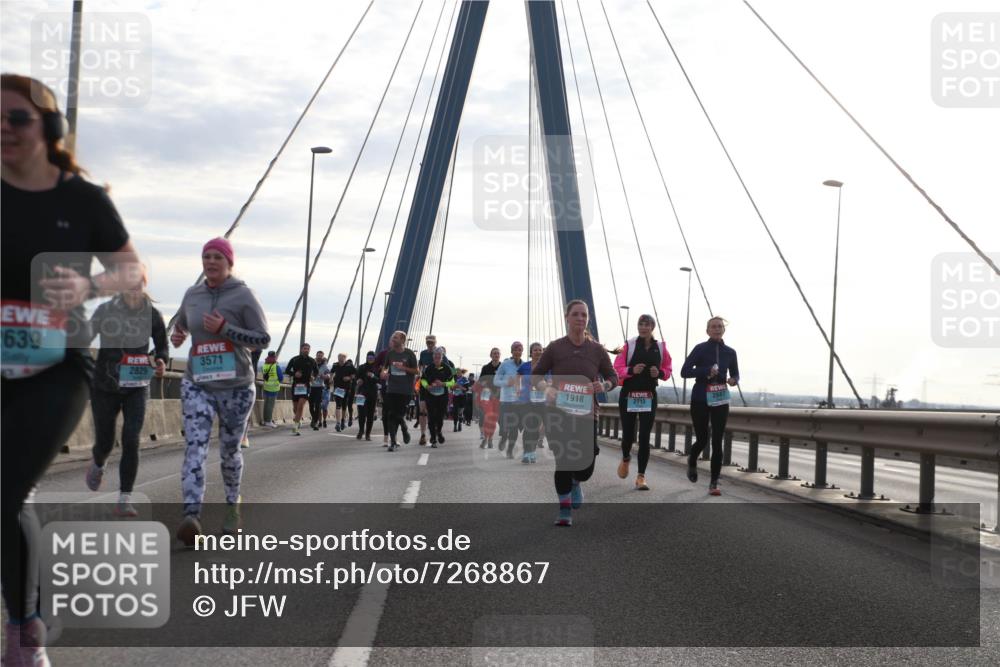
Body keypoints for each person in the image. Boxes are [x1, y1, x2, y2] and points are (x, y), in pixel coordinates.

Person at [2, 73, 143, 666]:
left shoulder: (82, 200)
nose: (4, 131)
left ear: (51, 128)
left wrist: (88, 282)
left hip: (56, 366)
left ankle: (24, 628)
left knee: (3, 492)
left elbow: (132, 275)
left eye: (17, 119)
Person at [171, 237, 269, 545]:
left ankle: (232, 506)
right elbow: (183, 322)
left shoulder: (243, 296)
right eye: (206, 257)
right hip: (197, 383)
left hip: (236, 386)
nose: (211, 262)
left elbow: (262, 339)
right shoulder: (193, 294)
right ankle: (191, 516)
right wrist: (179, 333)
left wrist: (225, 329)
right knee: (195, 448)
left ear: (229, 263)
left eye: (217, 257)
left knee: (229, 451)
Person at [86, 276, 169, 516]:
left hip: (137, 385)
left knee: (131, 439)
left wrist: (161, 360)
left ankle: (124, 498)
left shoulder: (152, 315)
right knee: (105, 441)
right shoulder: (105, 311)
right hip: (104, 384)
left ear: (144, 283)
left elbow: (162, 346)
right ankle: (99, 462)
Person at [532, 300, 617, 526]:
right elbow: (536, 376)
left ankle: (577, 481)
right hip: (558, 413)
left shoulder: (597, 350)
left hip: (587, 414)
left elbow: (613, 377)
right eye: (576, 314)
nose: (580, 318)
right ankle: (564, 510)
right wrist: (546, 388)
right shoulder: (555, 347)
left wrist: (604, 386)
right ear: (567, 318)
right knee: (563, 461)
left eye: (584, 315)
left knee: (585, 467)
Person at [613, 313, 672, 491]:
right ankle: (625, 458)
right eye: (641, 324)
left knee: (645, 437)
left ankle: (641, 476)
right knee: (629, 435)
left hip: (648, 396)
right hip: (629, 395)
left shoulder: (660, 348)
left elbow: (668, 369)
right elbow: (617, 369)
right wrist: (631, 369)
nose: (643, 327)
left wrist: (659, 374)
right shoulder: (629, 346)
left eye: (647, 324)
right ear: (638, 326)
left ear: (652, 327)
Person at [681, 316, 740, 496]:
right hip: (700, 398)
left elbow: (736, 374)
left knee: (717, 440)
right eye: (713, 327)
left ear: (724, 330)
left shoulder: (730, 352)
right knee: (702, 439)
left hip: (720, 398)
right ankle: (693, 459)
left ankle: (714, 482)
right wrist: (705, 371)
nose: (716, 329)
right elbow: (684, 371)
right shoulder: (700, 349)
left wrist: (733, 380)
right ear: (707, 330)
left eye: (719, 326)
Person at [380, 331, 418, 451]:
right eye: (392, 337)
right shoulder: (390, 354)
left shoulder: (409, 354)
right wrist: (383, 373)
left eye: (395, 338)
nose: (393, 339)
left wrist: (403, 368)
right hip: (392, 388)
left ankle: (404, 427)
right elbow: (385, 368)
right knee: (391, 414)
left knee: (398, 415)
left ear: (402, 340)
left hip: (405, 390)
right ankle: (393, 442)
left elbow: (417, 371)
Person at [518, 342, 547, 464]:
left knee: (535, 428)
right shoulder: (524, 366)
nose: (538, 352)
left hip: (541, 401)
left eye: (540, 350)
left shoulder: (547, 367)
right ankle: (526, 452)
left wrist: (545, 384)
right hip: (526, 400)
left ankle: (532, 451)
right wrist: (517, 389)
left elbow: (551, 381)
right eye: (535, 350)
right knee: (528, 425)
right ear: (531, 353)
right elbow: (516, 377)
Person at [494, 341, 525, 458]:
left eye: (520, 350)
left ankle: (510, 450)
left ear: (522, 352)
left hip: (519, 401)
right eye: (515, 350)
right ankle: (504, 437)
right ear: (512, 351)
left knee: (515, 427)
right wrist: (507, 382)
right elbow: (495, 381)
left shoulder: (525, 366)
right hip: (505, 400)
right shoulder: (505, 365)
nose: (518, 352)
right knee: (503, 424)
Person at [420, 347, 455, 447]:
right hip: (430, 395)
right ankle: (433, 438)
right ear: (433, 357)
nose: (437, 358)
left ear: (442, 357)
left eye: (439, 357)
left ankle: (439, 432)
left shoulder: (447, 368)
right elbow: (423, 380)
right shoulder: (429, 368)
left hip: (442, 396)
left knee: (440, 417)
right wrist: (427, 386)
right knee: (431, 416)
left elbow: (452, 382)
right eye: (435, 357)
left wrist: (443, 383)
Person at [285, 343, 317, 435]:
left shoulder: (311, 360)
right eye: (305, 348)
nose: (306, 350)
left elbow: (316, 371)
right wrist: (294, 374)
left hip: (306, 385)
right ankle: (298, 420)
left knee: (300, 406)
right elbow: (287, 370)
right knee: (295, 408)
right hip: (296, 385)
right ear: (301, 349)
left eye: (308, 349)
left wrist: (313, 377)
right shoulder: (294, 359)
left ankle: (295, 428)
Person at [476, 348, 502, 448]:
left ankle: (490, 439)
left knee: (493, 420)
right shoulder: (486, 368)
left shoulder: (502, 367)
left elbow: (504, 381)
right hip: (487, 397)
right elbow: (481, 382)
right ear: (490, 355)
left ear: (500, 355)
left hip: (499, 396)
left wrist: (497, 392)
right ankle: (486, 439)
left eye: (498, 354)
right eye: (494, 353)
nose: (496, 355)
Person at [355, 350, 380, 440]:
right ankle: (361, 430)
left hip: (372, 394)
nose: (370, 359)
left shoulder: (377, 368)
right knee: (361, 414)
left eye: (372, 358)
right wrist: (358, 381)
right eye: (369, 358)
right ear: (366, 358)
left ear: (374, 358)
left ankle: (368, 434)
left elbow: (380, 380)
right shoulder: (361, 367)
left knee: (370, 415)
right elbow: (356, 378)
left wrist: (373, 376)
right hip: (361, 393)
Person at [331, 353, 354, 432]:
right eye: (339, 357)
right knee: (338, 405)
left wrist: (349, 377)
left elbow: (354, 375)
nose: (340, 359)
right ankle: (338, 423)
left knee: (344, 405)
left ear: (345, 358)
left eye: (342, 358)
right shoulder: (335, 365)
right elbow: (332, 372)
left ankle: (343, 420)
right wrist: (331, 378)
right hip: (338, 388)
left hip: (346, 388)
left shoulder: (349, 366)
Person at [260, 350, 283, 427]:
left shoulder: (264, 366)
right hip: (273, 388)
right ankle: (268, 421)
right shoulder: (276, 366)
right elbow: (281, 378)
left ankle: (265, 420)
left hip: (266, 387)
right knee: (270, 405)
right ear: (275, 356)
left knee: (266, 405)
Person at [309, 350, 330, 430]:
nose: (320, 357)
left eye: (321, 356)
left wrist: (325, 376)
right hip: (311, 387)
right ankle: (314, 419)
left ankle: (316, 422)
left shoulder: (324, 366)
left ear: (322, 357)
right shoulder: (311, 363)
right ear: (316, 355)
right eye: (318, 355)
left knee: (317, 405)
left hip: (320, 387)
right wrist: (310, 377)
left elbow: (328, 374)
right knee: (311, 405)